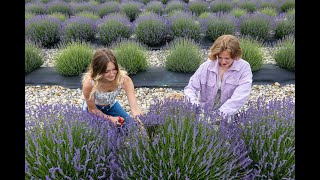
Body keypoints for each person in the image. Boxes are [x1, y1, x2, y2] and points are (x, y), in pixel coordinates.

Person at [184, 34, 253, 117]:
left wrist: (219, 115)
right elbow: (190, 88)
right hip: (204, 112)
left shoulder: (244, 68)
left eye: (227, 58)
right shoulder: (207, 66)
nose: (223, 62)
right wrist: (195, 106)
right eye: (220, 57)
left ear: (235, 56)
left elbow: (239, 96)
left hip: (230, 113)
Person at [82, 48, 143, 127]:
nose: (112, 74)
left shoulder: (124, 80)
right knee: (98, 134)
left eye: (114, 69)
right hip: (94, 109)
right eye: (106, 71)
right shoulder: (89, 83)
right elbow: (92, 109)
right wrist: (110, 119)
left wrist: (141, 121)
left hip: (111, 106)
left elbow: (134, 107)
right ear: (98, 70)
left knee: (132, 127)